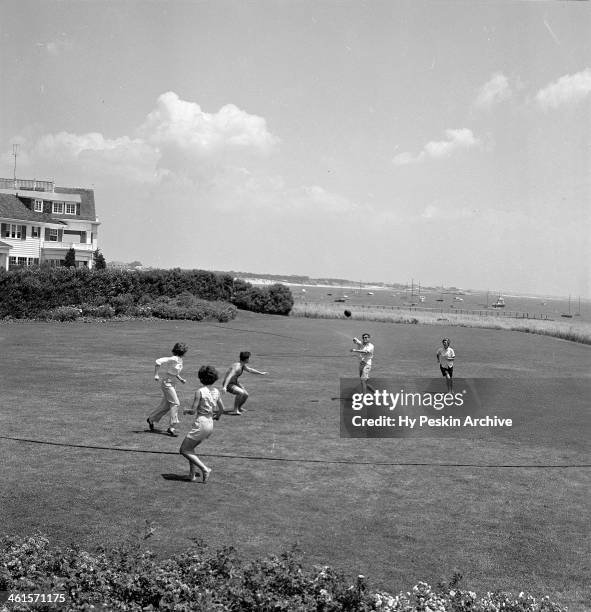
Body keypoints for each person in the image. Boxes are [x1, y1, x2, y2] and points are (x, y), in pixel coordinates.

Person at [179, 365, 225, 482]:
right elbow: (222, 409)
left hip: (201, 424)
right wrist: (218, 416)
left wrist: (186, 411)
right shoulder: (216, 391)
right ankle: (192, 475)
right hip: (210, 424)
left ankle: (205, 469)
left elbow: (193, 410)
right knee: (191, 448)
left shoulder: (199, 391)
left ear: (201, 378)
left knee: (184, 450)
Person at [146, 342, 187, 437]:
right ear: (183, 351)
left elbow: (174, 371)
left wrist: (181, 379)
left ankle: (151, 419)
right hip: (167, 384)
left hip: (172, 384)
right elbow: (158, 361)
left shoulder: (180, 360)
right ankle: (172, 427)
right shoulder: (173, 358)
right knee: (176, 403)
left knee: (166, 405)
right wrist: (156, 374)